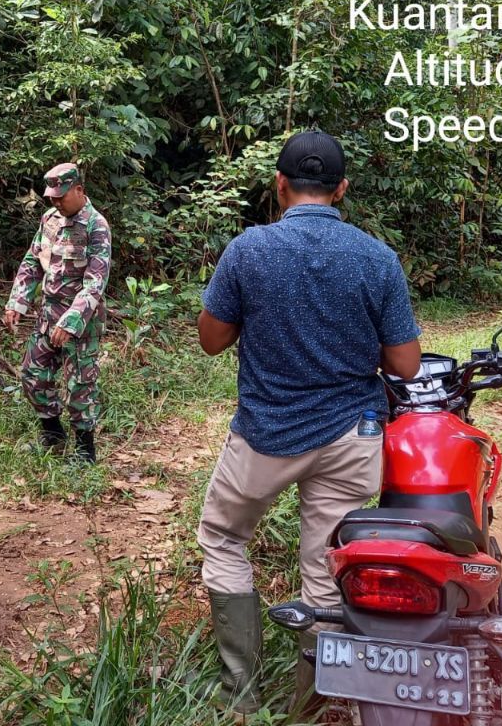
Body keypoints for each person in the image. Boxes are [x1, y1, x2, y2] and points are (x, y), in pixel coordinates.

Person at [194, 130, 422, 713]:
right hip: (351, 436)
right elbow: (405, 363)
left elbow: (211, 341)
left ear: (280, 185)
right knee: (327, 571)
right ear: (341, 189)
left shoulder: (248, 249)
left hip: (266, 436)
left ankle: (239, 694)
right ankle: (314, 706)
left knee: (223, 538)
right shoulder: (377, 258)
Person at [3, 163, 112, 463]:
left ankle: (84, 450)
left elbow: (95, 283)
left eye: (61, 196)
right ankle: (52, 435)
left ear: (79, 190)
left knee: (79, 383)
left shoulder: (96, 226)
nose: (55, 201)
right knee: (33, 373)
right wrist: (17, 301)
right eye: (51, 196)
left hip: (81, 320)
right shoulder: (49, 219)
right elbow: (31, 261)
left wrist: (72, 321)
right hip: (48, 313)